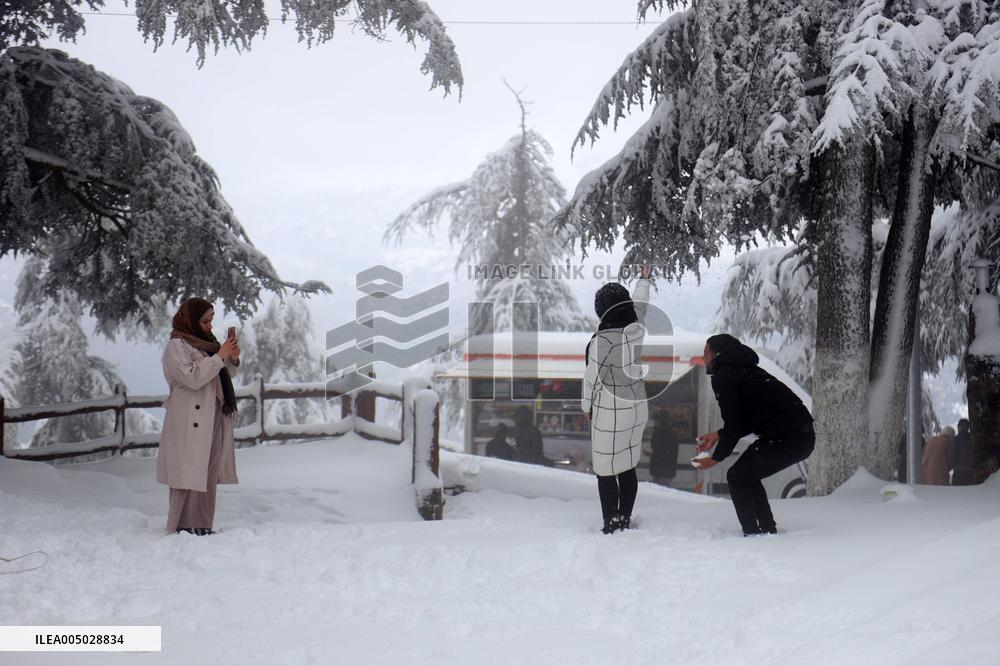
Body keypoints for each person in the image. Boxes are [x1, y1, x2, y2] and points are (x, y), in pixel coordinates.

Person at [694, 334, 814, 536]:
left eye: (706, 352)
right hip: (799, 435)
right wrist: (719, 434)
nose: (703, 357)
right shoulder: (746, 371)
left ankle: (753, 534)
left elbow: (735, 424)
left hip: (787, 437)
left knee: (737, 476)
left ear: (717, 355)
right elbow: (747, 419)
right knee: (745, 475)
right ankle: (765, 530)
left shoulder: (725, 377)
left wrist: (716, 458)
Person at [157, 298, 241, 535]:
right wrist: (218, 356)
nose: (209, 326)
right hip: (188, 419)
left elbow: (220, 376)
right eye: (205, 321)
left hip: (212, 414)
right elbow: (192, 378)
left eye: (211, 320)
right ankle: (182, 525)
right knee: (188, 471)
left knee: (208, 471)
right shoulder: (177, 346)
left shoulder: (207, 345)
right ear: (192, 321)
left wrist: (231, 358)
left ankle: (202, 524)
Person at [582, 265, 651, 534]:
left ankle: (612, 522)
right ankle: (624, 517)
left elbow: (591, 379)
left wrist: (586, 407)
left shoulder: (602, 341)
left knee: (606, 468)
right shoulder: (637, 327)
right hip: (637, 407)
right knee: (627, 464)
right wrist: (644, 279)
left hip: (611, 410)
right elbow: (641, 303)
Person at [648, 410, 679, 487]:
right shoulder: (671, 434)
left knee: (659, 493)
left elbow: (664, 452)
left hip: (661, 469)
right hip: (666, 470)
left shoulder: (660, 433)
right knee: (662, 492)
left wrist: (653, 453)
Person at [949, 419, 974, 485]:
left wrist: (949, 467)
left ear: (959, 427)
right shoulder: (972, 439)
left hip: (958, 472)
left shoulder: (955, 439)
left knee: (957, 494)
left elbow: (952, 456)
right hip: (970, 472)